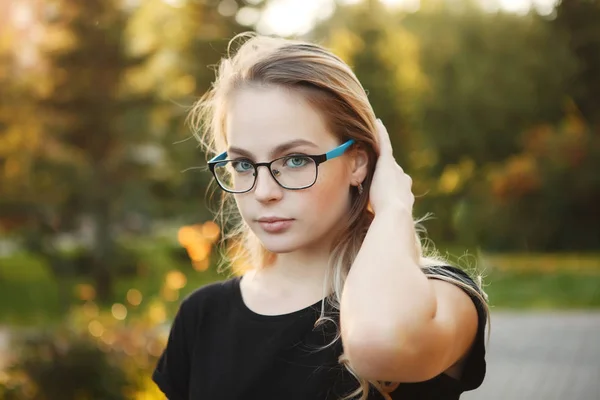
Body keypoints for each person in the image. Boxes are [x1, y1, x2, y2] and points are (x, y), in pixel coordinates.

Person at [152, 33, 488, 400]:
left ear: (358, 162)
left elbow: (382, 342)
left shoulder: (440, 298)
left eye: (295, 160)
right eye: (243, 164)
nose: (264, 191)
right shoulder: (203, 316)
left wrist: (392, 208)